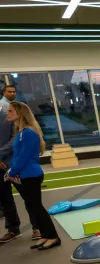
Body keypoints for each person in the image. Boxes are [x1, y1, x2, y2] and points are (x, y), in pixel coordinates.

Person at [3, 101, 60, 250]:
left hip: (32, 175)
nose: (7, 113)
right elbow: (18, 156)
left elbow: (24, 156)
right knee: (33, 207)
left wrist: (12, 172)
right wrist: (12, 171)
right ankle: (45, 236)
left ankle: (53, 237)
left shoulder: (27, 132)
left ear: (20, 113)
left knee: (37, 207)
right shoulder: (21, 132)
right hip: (25, 175)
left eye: (10, 111)